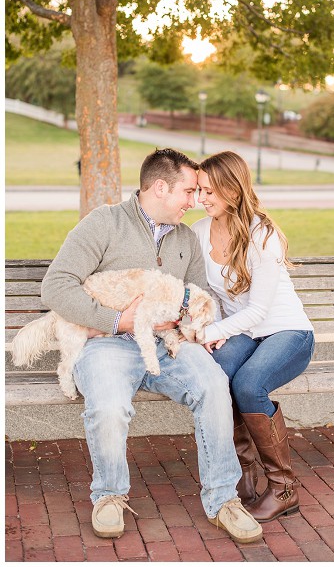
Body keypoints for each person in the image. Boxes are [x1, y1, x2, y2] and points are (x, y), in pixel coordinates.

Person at [40, 148, 262, 543]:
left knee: (214, 387)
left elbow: (200, 291)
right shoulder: (103, 224)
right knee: (108, 406)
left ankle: (223, 499)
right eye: (189, 191)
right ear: (160, 187)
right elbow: (56, 286)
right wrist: (116, 321)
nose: (195, 200)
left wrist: (187, 320)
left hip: (169, 344)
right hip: (108, 343)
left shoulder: (185, 237)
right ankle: (109, 496)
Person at [191, 150, 315, 523]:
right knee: (216, 376)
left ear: (233, 189)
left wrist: (211, 332)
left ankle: (283, 489)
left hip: (287, 331)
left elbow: (259, 311)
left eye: (210, 191)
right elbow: (209, 293)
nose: (202, 198)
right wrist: (210, 328)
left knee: (248, 385)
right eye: (199, 190)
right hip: (243, 332)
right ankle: (243, 472)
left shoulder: (263, 234)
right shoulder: (199, 231)